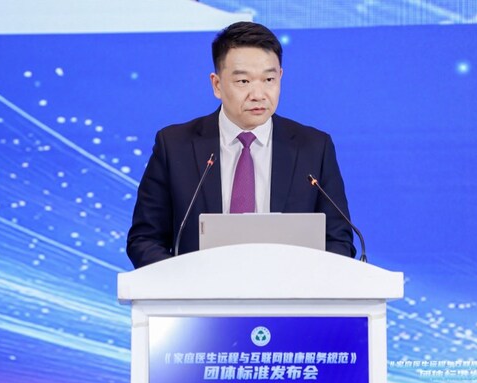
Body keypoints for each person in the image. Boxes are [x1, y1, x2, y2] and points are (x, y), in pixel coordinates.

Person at [126, 21, 356, 269]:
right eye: (243, 82)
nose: (258, 94)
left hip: (290, 291)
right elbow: (144, 239)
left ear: (280, 77)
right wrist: (183, 283)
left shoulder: (313, 148)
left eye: (269, 79)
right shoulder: (174, 146)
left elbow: (338, 240)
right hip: (199, 291)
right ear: (217, 85)